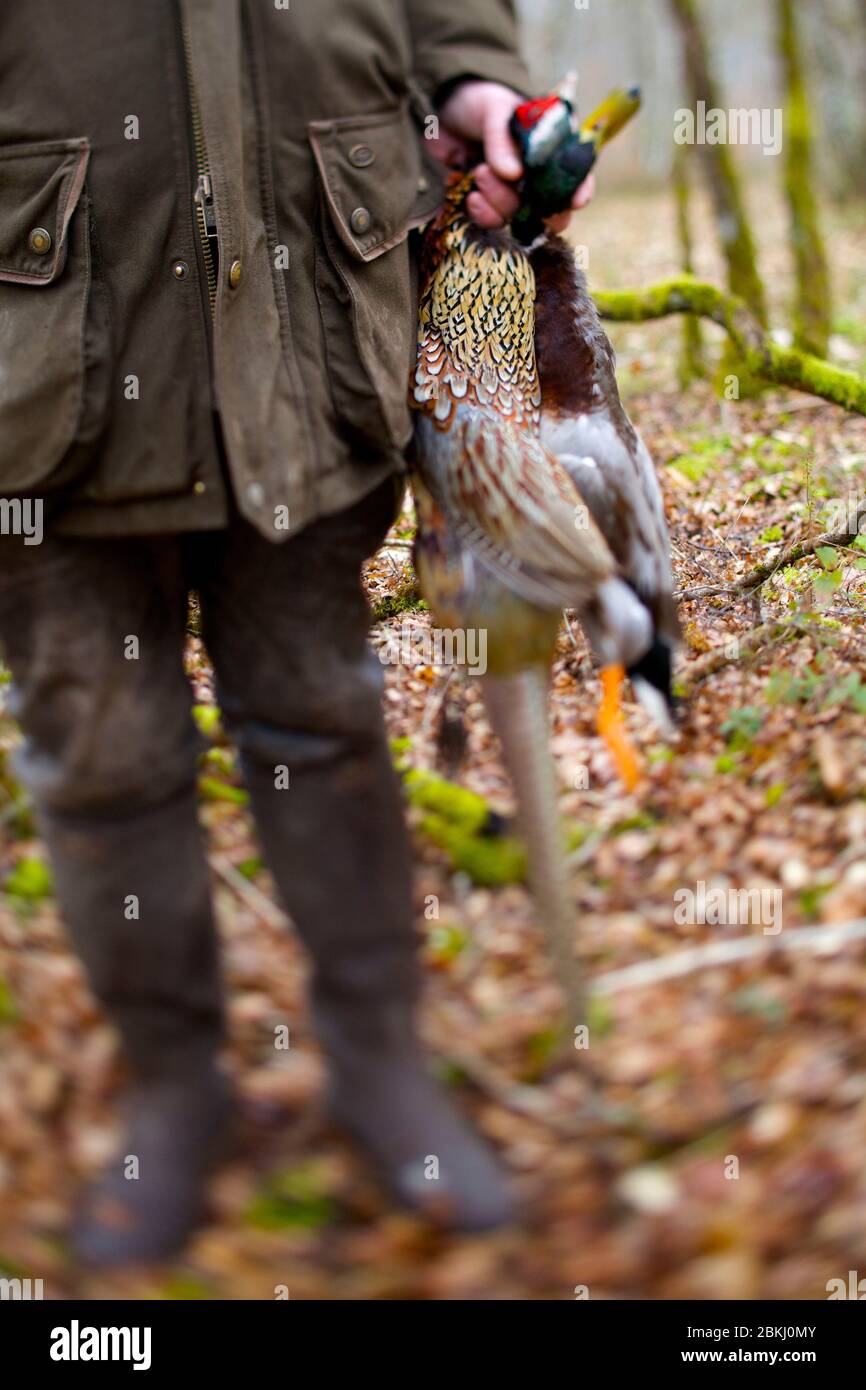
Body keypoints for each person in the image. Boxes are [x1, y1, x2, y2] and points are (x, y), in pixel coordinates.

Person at [0, 0, 593, 1264]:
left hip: (314, 320)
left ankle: (380, 1067)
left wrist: (476, 83)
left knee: (321, 717)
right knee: (101, 758)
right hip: (31, 350)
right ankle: (175, 1090)